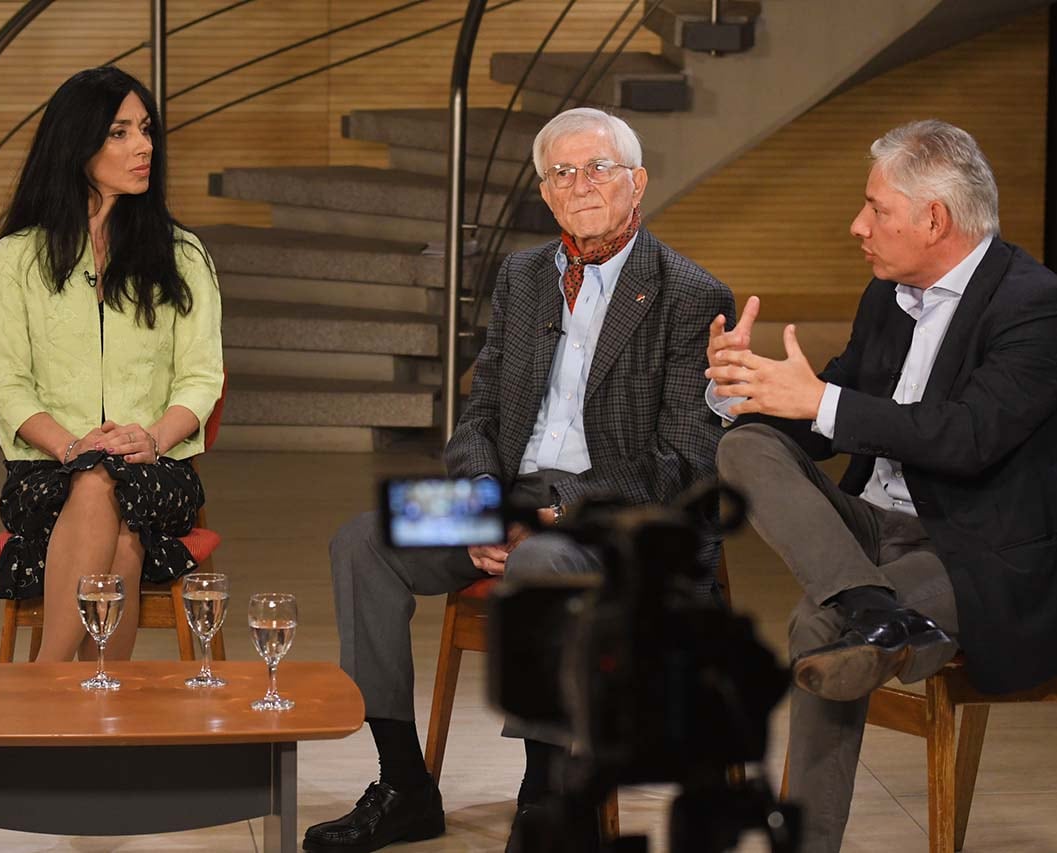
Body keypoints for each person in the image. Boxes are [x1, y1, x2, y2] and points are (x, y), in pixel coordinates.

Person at [304, 107, 735, 853]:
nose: (581, 185)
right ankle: (404, 784)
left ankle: (546, 798)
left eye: (597, 168)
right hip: (506, 499)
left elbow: (683, 462)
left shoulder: (690, 294)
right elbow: (478, 414)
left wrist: (551, 516)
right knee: (365, 540)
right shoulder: (523, 274)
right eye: (562, 173)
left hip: (615, 517)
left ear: (637, 183)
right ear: (545, 192)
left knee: (539, 562)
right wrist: (488, 504)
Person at [707, 119, 1057, 852]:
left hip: (978, 548)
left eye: (877, 208)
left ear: (934, 218)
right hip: (872, 528)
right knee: (746, 448)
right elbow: (825, 420)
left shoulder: (1038, 308)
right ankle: (876, 608)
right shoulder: (886, 294)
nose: (859, 225)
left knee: (816, 631)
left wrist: (821, 401)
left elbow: (965, 438)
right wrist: (748, 391)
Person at [0, 66, 223, 663]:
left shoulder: (183, 256)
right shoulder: (16, 259)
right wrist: (72, 445)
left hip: (158, 466)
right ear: (76, 143)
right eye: (119, 132)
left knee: (108, 486)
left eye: (145, 130)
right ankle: (98, 711)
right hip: (45, 468)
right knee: (110, 518)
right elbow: (7, 382)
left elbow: (202, 376)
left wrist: (151, 438)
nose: (143, 146)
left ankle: (46, 684)